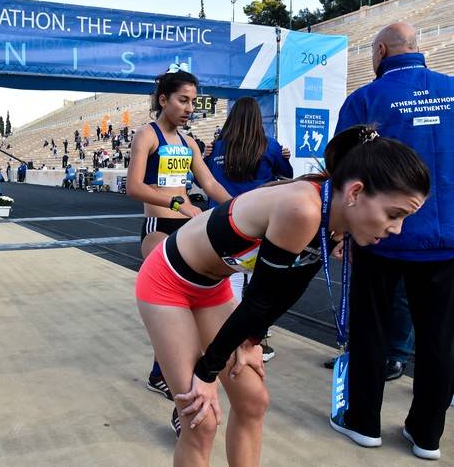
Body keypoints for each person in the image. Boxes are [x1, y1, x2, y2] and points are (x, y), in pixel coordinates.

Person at [136, 125, 429, 465]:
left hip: (210, 287)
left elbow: (291, 288)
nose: (396, 229)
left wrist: (251, 340)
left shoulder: (334, 217)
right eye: (394, 215)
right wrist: (205, 374)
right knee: (200, 419)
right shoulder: (303, 208)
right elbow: (260, 299)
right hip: (166, 281)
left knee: (252, 401)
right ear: (356, 193)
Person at [328, 23, 454, 461]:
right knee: (439, 338)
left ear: (381, 51)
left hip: (379, 236)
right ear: (418, 50)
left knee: (371, 330)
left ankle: (364, 423)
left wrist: (341, 231)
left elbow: (342, 172)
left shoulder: (366, 99)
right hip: (447, 240)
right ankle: (427, 435)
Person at [126, 65, 232, 407]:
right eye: (182, 100)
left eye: (193, 102)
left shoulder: (189, 142)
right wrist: (176, 202)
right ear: (163, 99)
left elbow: (210, 184)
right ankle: (169, 382)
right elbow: (134, 187)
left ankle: (163, 373)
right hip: (159, 228)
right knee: (175, 305)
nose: (189, 108)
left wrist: (242, 208)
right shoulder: (147, 135)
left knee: (194, 308)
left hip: (187, 229)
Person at [203, 97, 293, 362]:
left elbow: (203, 178)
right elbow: (287, 175)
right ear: (257, 119)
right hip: (259, 222)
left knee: (224, 278)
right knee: (259, 283)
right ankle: (253, 338)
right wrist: (283, 157)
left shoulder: (216, 147)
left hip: (219, 221)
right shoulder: (270, 146)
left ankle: (220, 332)